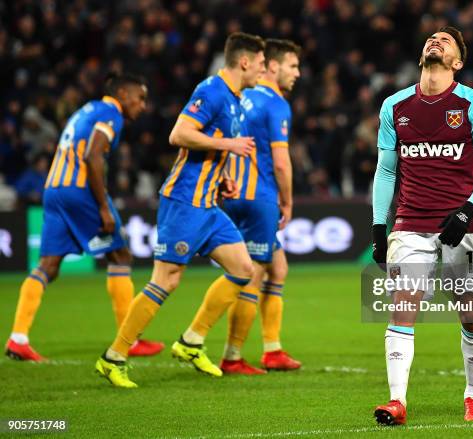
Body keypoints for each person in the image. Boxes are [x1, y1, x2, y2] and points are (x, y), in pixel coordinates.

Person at [95, 32, 266, 388]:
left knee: (243, 268)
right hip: (184, 201)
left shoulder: (236, 99)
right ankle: (114, 357)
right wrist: (228, 144)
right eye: (262, 64)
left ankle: (191, 341)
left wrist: (222, 179)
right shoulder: (212, 91)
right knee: (166, 280)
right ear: (245, 61)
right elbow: (179, 134)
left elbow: (208, 150)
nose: (263, 71)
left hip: (208, 203)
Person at [371, 27, 473, 424]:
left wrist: (466, 211)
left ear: (458, 62)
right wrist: (380, 225)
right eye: (430, 37)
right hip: (410, 223)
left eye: (445, 41)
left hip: (464, 223)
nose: (434, 40)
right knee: (402, 306)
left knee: (470, 314)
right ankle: (397, 401)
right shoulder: (395, 106)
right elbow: (386, 170)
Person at [5, 73, 164, 362]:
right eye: (140, 98)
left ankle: (18, 338)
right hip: (78, 190)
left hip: (54, 188)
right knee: (120, 256)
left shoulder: (87, 109)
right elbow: (92, 156)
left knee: (48, 266)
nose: (142, 105)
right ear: (123, 94)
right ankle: (129, 339)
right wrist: (103, 206)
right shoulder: (110, 112)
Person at [220, 39, 302, 374]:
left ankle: (272, 349)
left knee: (277, 268)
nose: (297, 73)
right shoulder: (276, 103)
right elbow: (281, 163)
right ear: (272, 66)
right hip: (259, 197)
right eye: (293, 66)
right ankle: (232, 355)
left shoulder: (242, 94)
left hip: (231, 190)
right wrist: (288, 200)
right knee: (250, 276)